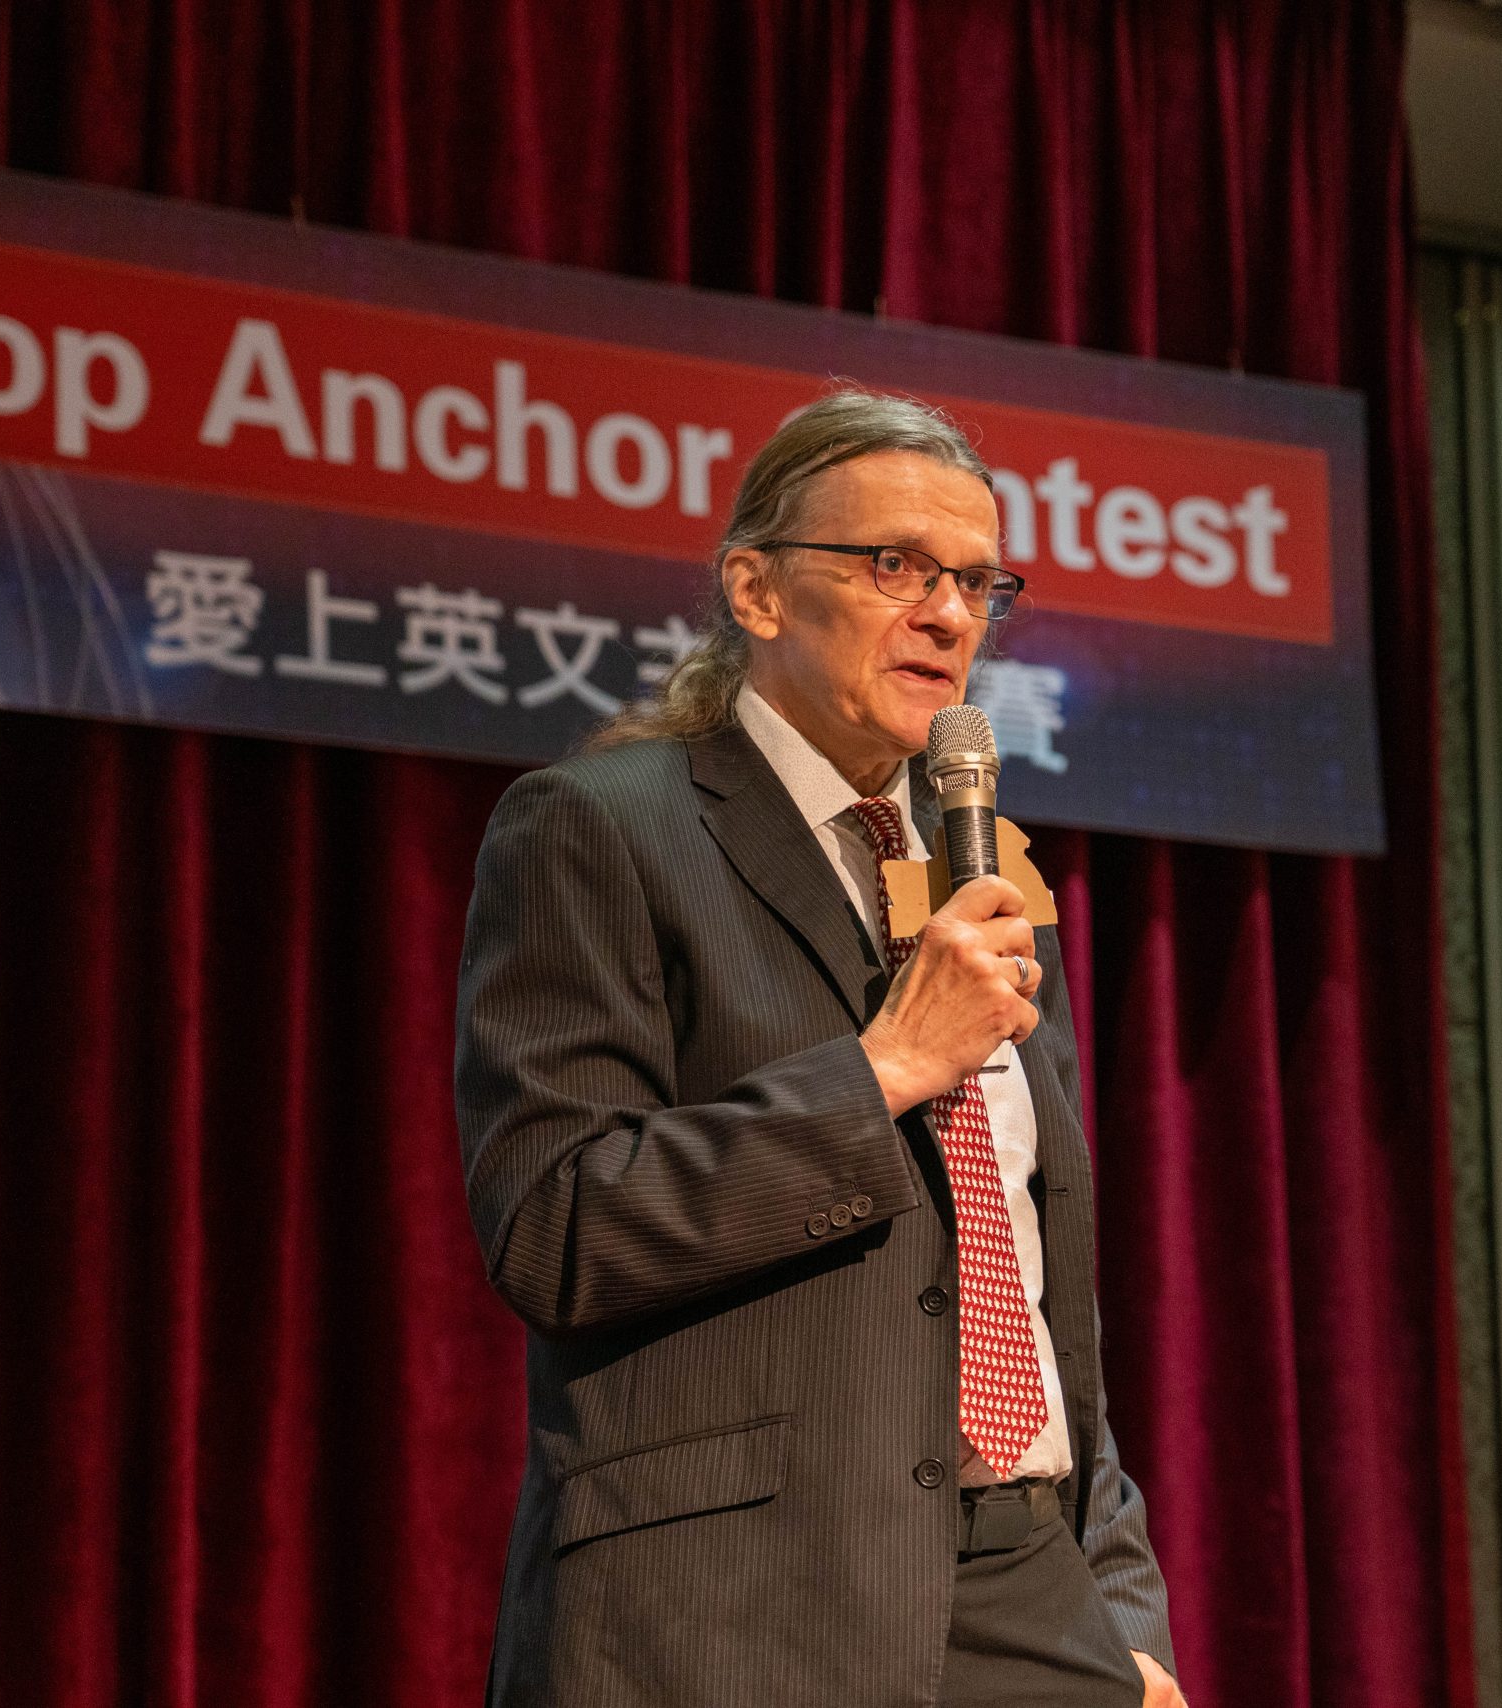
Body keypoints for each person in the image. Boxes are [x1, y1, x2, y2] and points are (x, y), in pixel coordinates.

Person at [455, 389, 1183, 1707]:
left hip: (1030, 1595)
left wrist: (1118, 1603)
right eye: (896, 565)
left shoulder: (988, 879)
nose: (949, 615)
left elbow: (1035, 1273)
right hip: (738, 1602)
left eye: (976, 582)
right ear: (757, 590)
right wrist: (882, 1071)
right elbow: (556, 1228)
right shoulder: (599, 828)